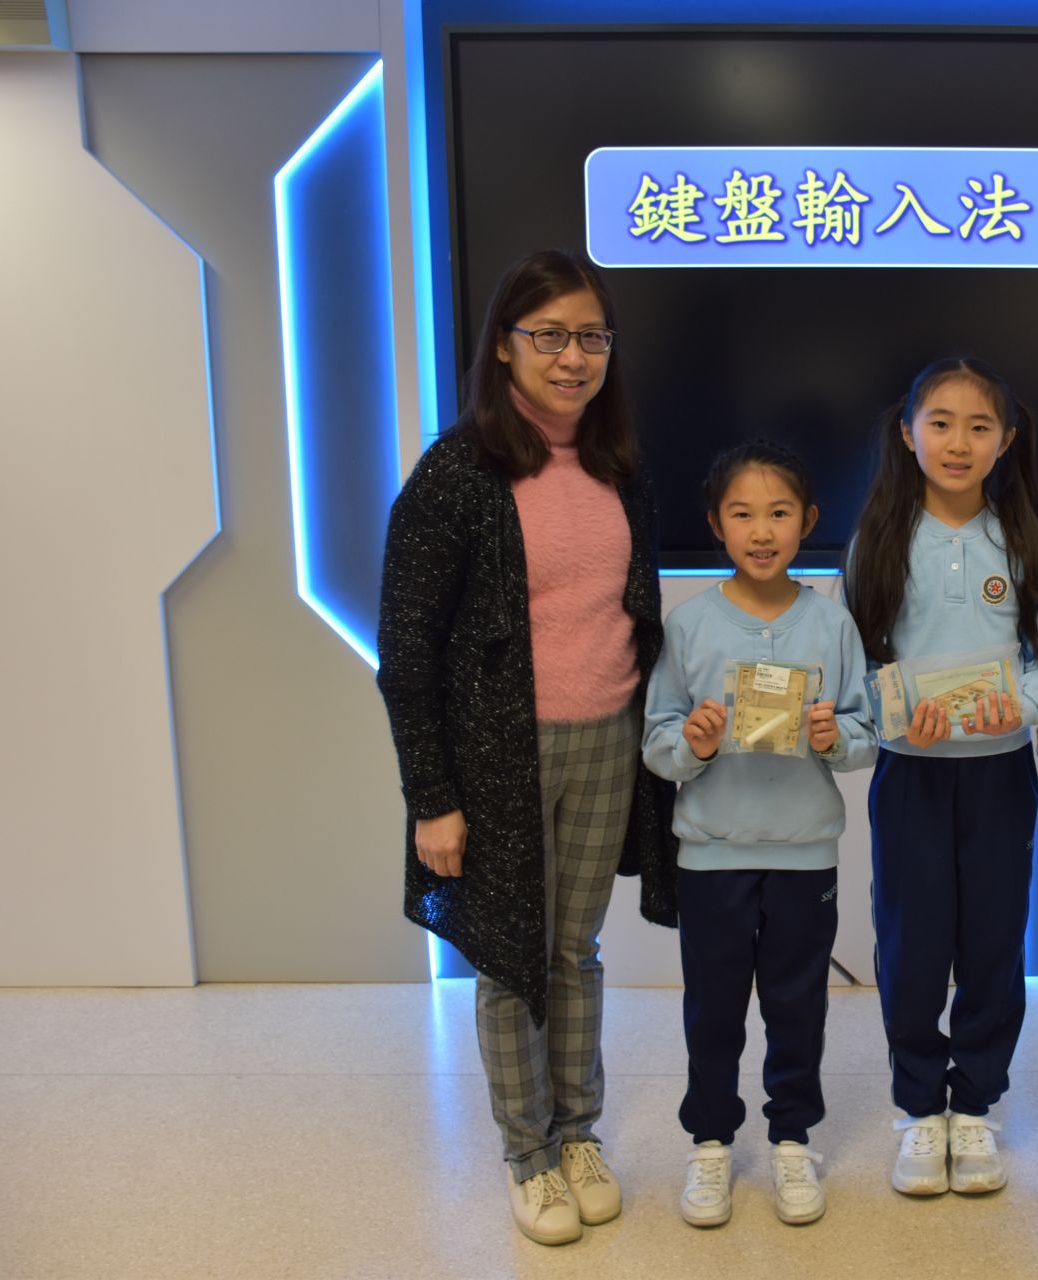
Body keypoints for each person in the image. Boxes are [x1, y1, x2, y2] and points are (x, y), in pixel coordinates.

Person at [376, 249, 678, 1246]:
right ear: (503, 346)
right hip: (500, 757)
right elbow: (406, 648)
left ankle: (579, 1132)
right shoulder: (457, 473)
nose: (572, 356)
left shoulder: (617, 466)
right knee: (511, 957)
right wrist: (432, 797)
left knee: (574, 950)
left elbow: (630, 612)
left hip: (607, 742)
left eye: (591, 336)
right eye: (548, 335)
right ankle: (528, 1154)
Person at [842, 357, 1038, 1195]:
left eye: (979, 426)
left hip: (1000, 775)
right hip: (911, 776)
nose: (959, 442)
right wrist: (897, 715)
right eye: (940, 423)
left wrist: (1022, 709)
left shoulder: (1025, 541)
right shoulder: (880, 540)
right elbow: (858, 665)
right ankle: (916, 1109)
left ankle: (974, 1107)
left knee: (994, 943)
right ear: (908, 434)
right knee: (911, 945)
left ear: (1005, 440)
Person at [642, 442, 875, 1228]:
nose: (762, 530)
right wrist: (696, 744)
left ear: (808, 520)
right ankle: (710, 1143)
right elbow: (658, 741)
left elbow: (865, 735)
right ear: (716, 524)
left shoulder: (832, 623)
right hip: (712, 854)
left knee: (797, 1006)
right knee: (712, 1010)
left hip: (804, 853)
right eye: (742, 514)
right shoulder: (690, 625)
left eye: (779, 513)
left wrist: (833, 737)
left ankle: (791, 1139)